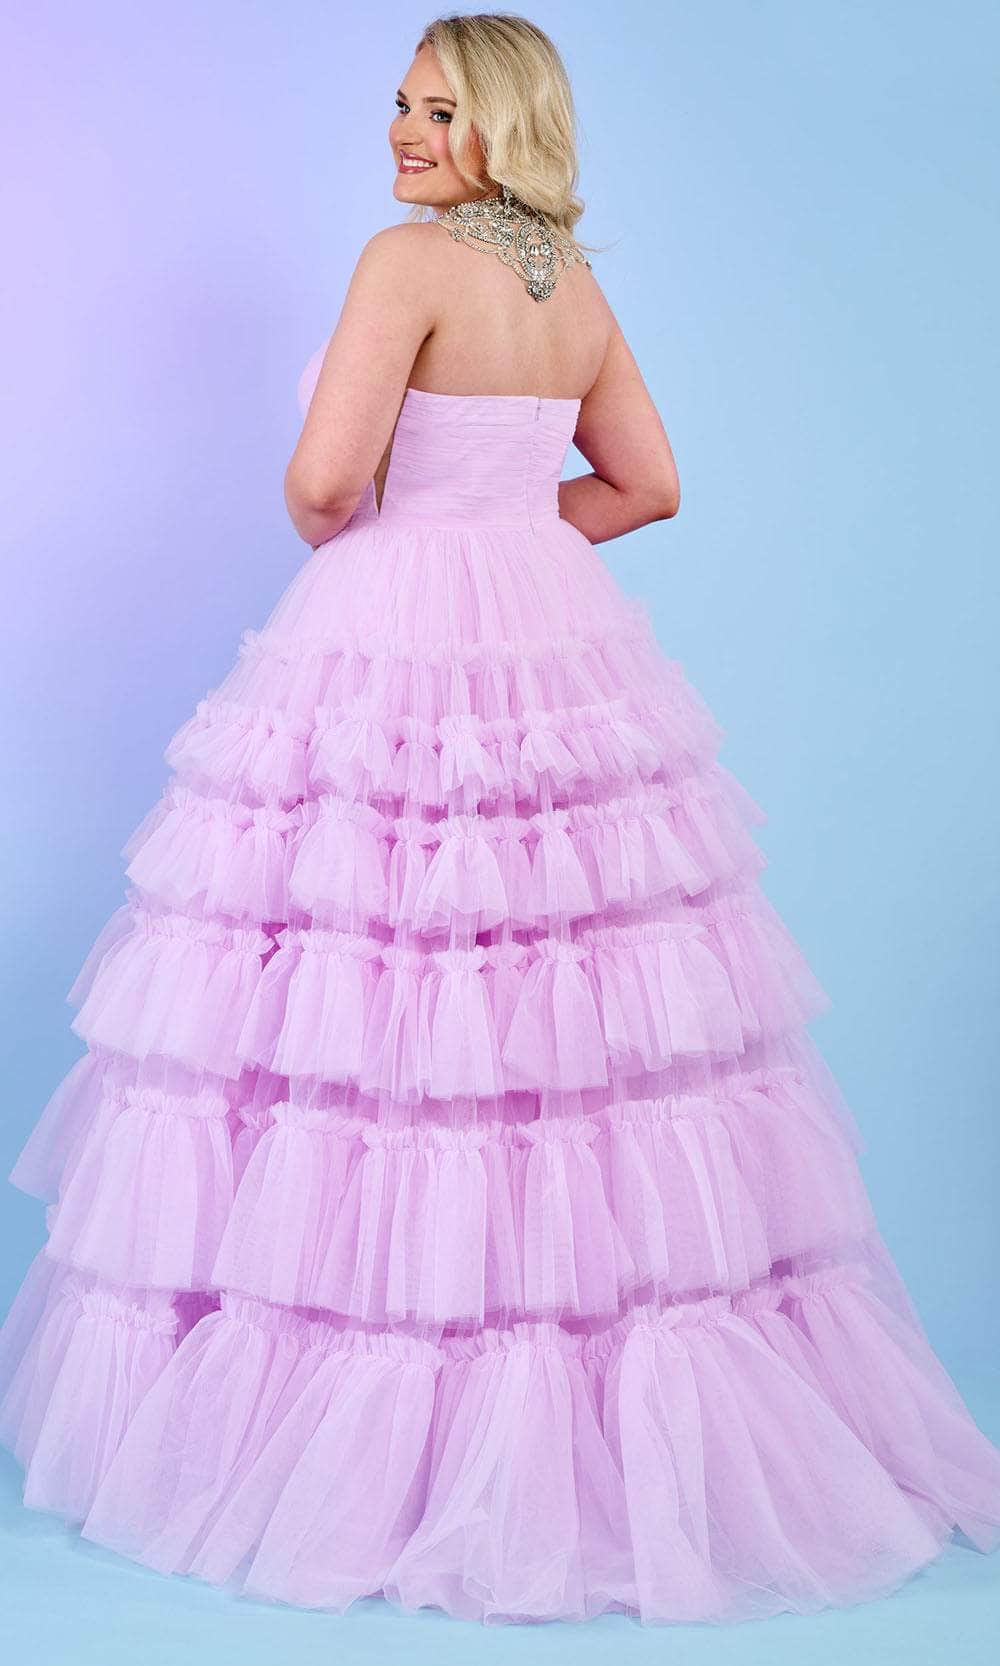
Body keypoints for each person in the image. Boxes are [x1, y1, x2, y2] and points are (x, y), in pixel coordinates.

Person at [2, 10, 999, 1630]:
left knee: (376, 999)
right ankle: (560, 1414)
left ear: (508, 125)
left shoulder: (406, 265)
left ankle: (379, 1420)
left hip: (391, 630)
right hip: (551, 635)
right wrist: (513, 535)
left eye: (442, 109)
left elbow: (323, 489)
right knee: (562, 1018)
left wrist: (414, 529)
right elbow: (649, 483)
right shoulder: (572, 286)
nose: (405, 132)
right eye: (401, 103)